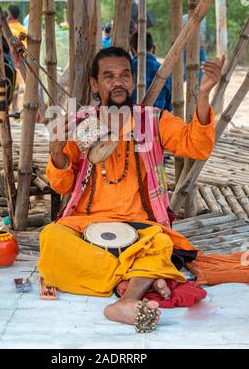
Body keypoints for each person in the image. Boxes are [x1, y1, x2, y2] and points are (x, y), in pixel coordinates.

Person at [38, 46, 224, 331]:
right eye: (109, 76)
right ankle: (136, 278)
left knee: (162, 242)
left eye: (125, 75)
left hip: (142, 229)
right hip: (87, 224)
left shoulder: (154, 120)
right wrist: (56, 149)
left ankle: (125, 300)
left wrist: (202, 97)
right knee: (51, 238)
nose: (118, 82)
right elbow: (60, 183)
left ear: (132, 81)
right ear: (94, 84)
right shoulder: (80, 125)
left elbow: (196, 145)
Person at [130, 31, 172, 112]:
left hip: (130, 122)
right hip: (157, 121)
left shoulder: (127, 69)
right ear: (153, 48)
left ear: (132, 51)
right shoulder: (164, 71)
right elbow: (169, 106)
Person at [183, 15, 206, 82]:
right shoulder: (203, 18)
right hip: (199, 46)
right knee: (201, 67)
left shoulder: (184, 18)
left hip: (189, 47)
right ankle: (198, 84)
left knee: (186, 67)